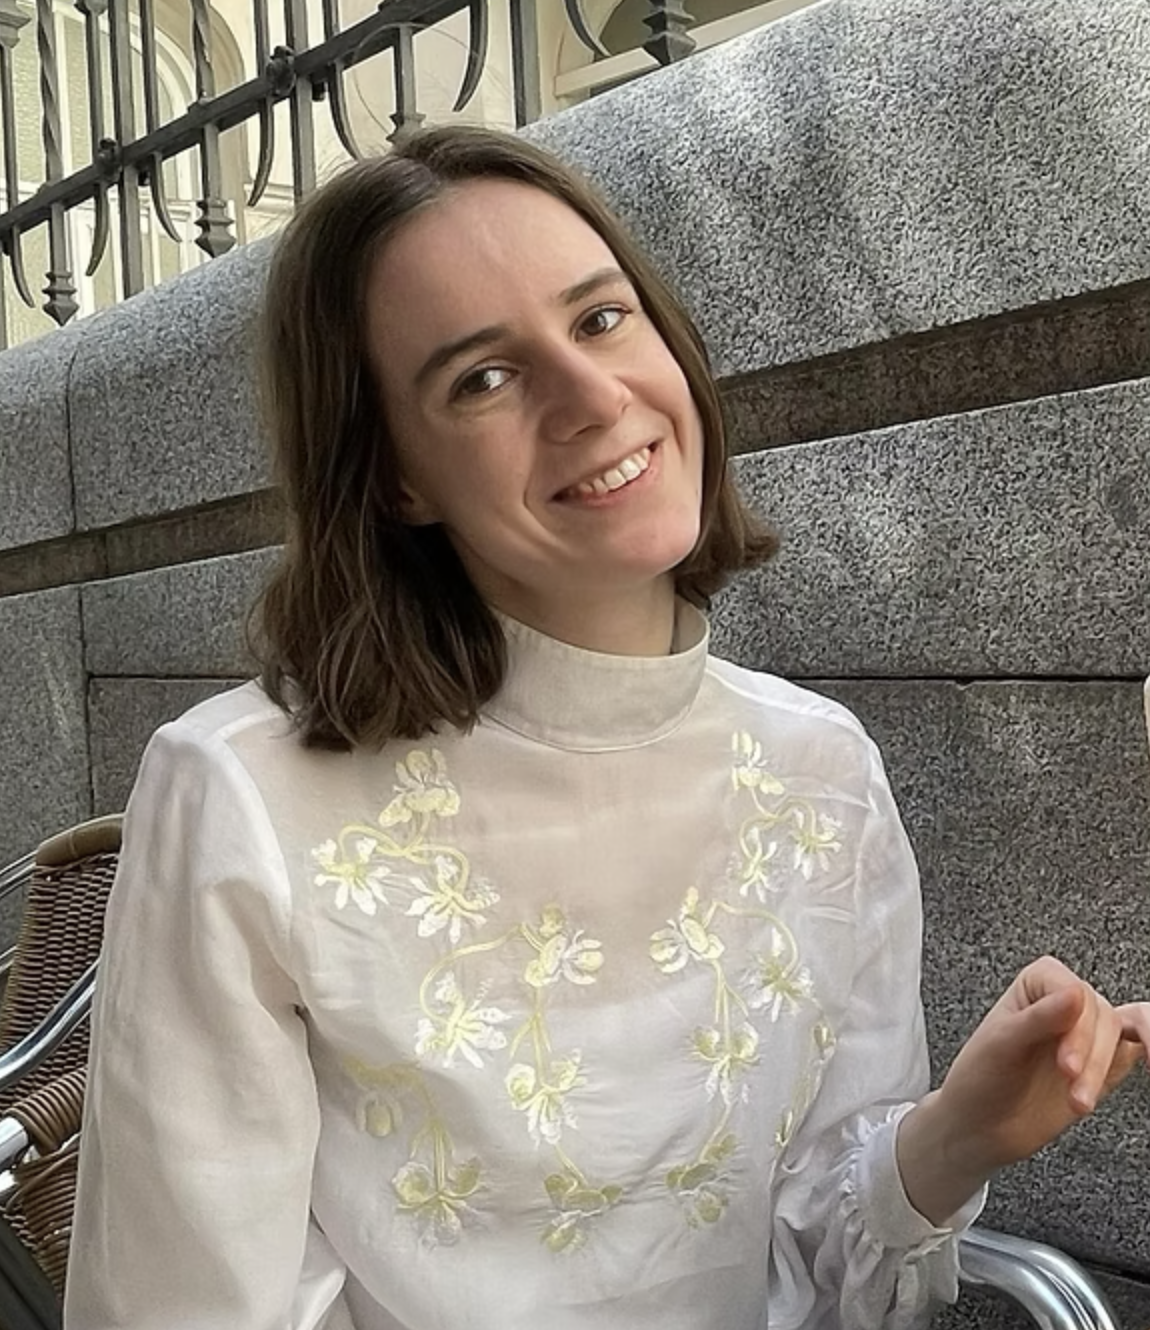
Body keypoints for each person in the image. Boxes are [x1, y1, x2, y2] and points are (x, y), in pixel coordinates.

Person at [64, 126, 1149, 1330]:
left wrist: (953, 1137)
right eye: (480, 377)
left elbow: (816, 1253)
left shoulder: (820, 768)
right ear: (393, 477)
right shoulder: (242, 794)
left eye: (598, 320)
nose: (591, 399)